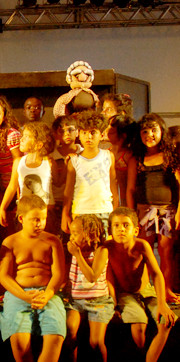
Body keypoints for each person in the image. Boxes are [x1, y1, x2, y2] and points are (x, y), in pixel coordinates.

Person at [0, 195, 66, 362]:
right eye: (35, 220)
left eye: (43, 219)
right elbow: (4, 276)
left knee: (55, 337)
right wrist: (24, 296)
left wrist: (48, 294)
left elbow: (58, 273)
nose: (40, 224)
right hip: (18, 294)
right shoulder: (10, 242)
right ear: (21, 218)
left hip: (47, 292)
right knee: (20, 343)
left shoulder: (52, 241)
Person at [107, 207, 177, 361]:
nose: (121, 230)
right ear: (110, 230)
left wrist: (162, 303)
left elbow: (156, 274)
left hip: (146, 291)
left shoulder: (142, 246)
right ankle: (140, 354)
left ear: (136, 230)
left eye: (126, 225)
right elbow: (109, 279)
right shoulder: (108, 248)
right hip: (125, 294)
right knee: (139, 326)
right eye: (116, 225)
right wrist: (113, 303)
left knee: (166, 321)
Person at [126, 113, 180, 304]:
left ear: (162, 131)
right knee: (143, 251)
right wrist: (132, 216)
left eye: (154, 130)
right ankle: (145, 289)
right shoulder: (137, 159)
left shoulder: (170, 155)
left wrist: (179, 212)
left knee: (166, 252)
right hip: (144, 211)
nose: (149, 134)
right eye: (145, 131)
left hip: (167, 210)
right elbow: (130, 189)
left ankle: (165, 290)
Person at [65, 215, 114, 362]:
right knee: (69, 331)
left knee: (96, 342)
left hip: (98, 302)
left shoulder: (101, 251)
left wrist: (77, 255)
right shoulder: (74, 250)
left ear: (90, 234)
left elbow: (92, 277)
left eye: (75, 233)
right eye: (71, 233)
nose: (71, 237)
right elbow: (71, 276)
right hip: (76, 302)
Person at [61, 112, 119, 236]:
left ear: (101, 135)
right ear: (79, 134)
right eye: (85, 133)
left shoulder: (108, 156)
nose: (89, 137)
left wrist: (116, 209)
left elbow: (113, 184)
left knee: (104, 250)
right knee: (82, 249)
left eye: (93, 132)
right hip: (80, 212)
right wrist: (65, 214)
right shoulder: (74, 160)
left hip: (105, 211)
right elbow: (68, 190)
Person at [0, 122, 56, 231]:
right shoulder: (18, 162)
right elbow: (12, 187)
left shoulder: (48, 162)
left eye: (26, 136)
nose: (21, 139)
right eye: (22, 136)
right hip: (25, 212)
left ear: (39, 144)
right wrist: (3, 208)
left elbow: (58, 182)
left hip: (46, 212)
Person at [50, 114, 83, 238]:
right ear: (56, 134)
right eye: (61, 131)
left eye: (70, 130)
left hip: (78, 203)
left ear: (78, 132)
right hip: (57, 202)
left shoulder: (84, 154)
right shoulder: (51, 157)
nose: (67, 134)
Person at [105, 114, 136, 206]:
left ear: (123, 135)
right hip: (107, 201)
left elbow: (131, 188)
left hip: (124, 200)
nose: (108, 130)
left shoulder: (129, 156)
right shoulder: (105, 153)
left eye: (112, 130)